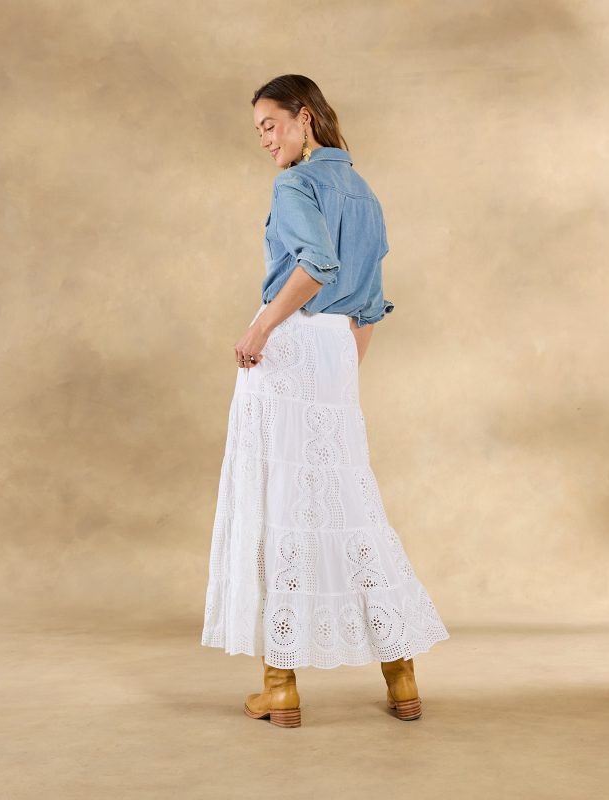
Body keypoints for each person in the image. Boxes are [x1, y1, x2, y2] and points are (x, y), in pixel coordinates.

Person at [201, 74, 449, 727]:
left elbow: (316, 266)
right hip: (338, 348)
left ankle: (280, 685)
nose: (265, 139)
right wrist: (340, 371)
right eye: (259, 130)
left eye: (270, 124)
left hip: (288, 341)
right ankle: (401, 676)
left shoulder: (295, 185)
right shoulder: (363, 191)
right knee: (348, 502)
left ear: (304, 116)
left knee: (276, 499)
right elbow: (368, 302)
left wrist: (259, 330)